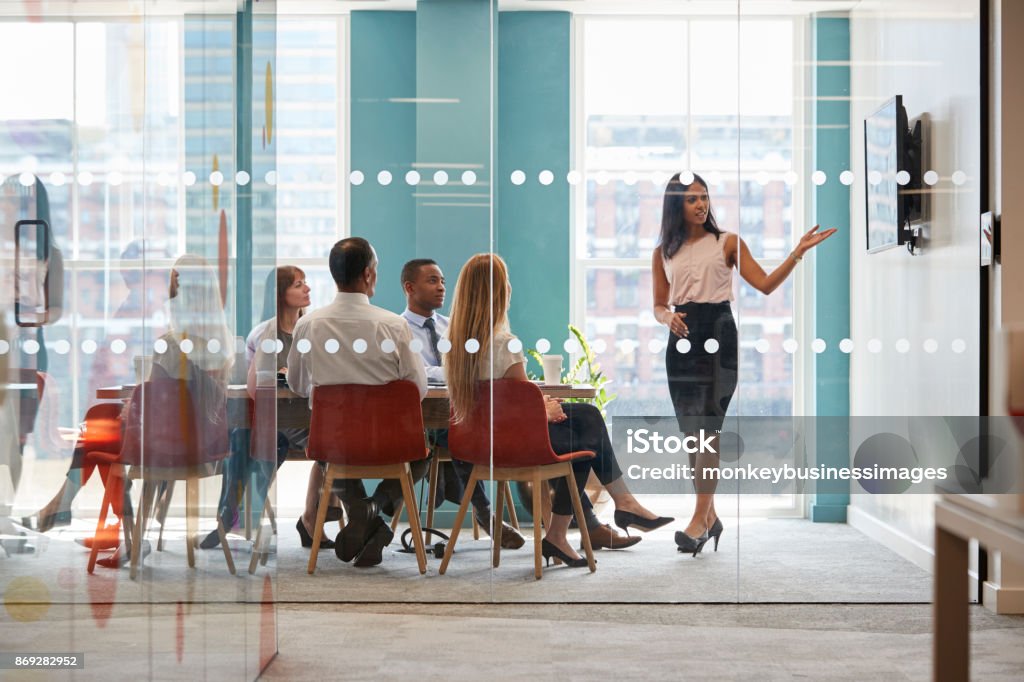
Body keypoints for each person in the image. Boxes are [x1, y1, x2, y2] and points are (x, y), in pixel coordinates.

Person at [445, 253, 672, 568]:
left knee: (585, 419)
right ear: (501, 292)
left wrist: (542, 406)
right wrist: (544, 409)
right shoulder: (505, 343)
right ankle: (606, 512)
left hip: (477, 445)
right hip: (513, 446)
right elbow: (518, 408)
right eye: (506, 282)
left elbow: (499, 403)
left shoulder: (455, 346)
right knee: (586, 433)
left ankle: (591, 521)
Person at [651, 172, 836, 556]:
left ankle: (699, 518)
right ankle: (710, 516)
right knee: (692, 433)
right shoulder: (663, 252)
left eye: (704, 197)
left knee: (708, 429)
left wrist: (797, 252)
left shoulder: (728, 242)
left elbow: (766, 284)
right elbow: (658, 304)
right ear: (676, 205)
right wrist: (666, 317)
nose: (701, 205)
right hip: (681, 338)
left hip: (719, 334)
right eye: (692, 199)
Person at [287, 237, 429, 568]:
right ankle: (375, 512)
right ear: (368, 275)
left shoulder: (308, 324)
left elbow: (296, 385)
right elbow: (417, 390)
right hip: (392, 442)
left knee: (328, 455)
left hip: (334, 444)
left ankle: (365, 515)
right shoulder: (394, 325)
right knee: (422, 454)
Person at [199, 265, 338, 551]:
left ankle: (308, 516)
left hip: (309, 416)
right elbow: (253, 387)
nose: (307, 289)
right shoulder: (266, 333)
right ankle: (310, 516)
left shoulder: (312, 329)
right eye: (299, 284)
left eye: (305, 283)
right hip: (278, 420)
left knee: (331, 442)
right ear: (280, 294)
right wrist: (285, 375)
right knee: (257, 438)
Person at [399, 258, 525, 550]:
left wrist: (464, 372)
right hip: (424, 418)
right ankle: (485, 513)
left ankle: (484, 512)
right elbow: (410, 373)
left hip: (461, 413)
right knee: (450, 434)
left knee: (460, 428)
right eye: (432, 281)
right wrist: (456, 372)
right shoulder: (398, 328)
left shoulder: (455, 328)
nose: (441, 287)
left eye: (443, 280)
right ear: (410, 287)